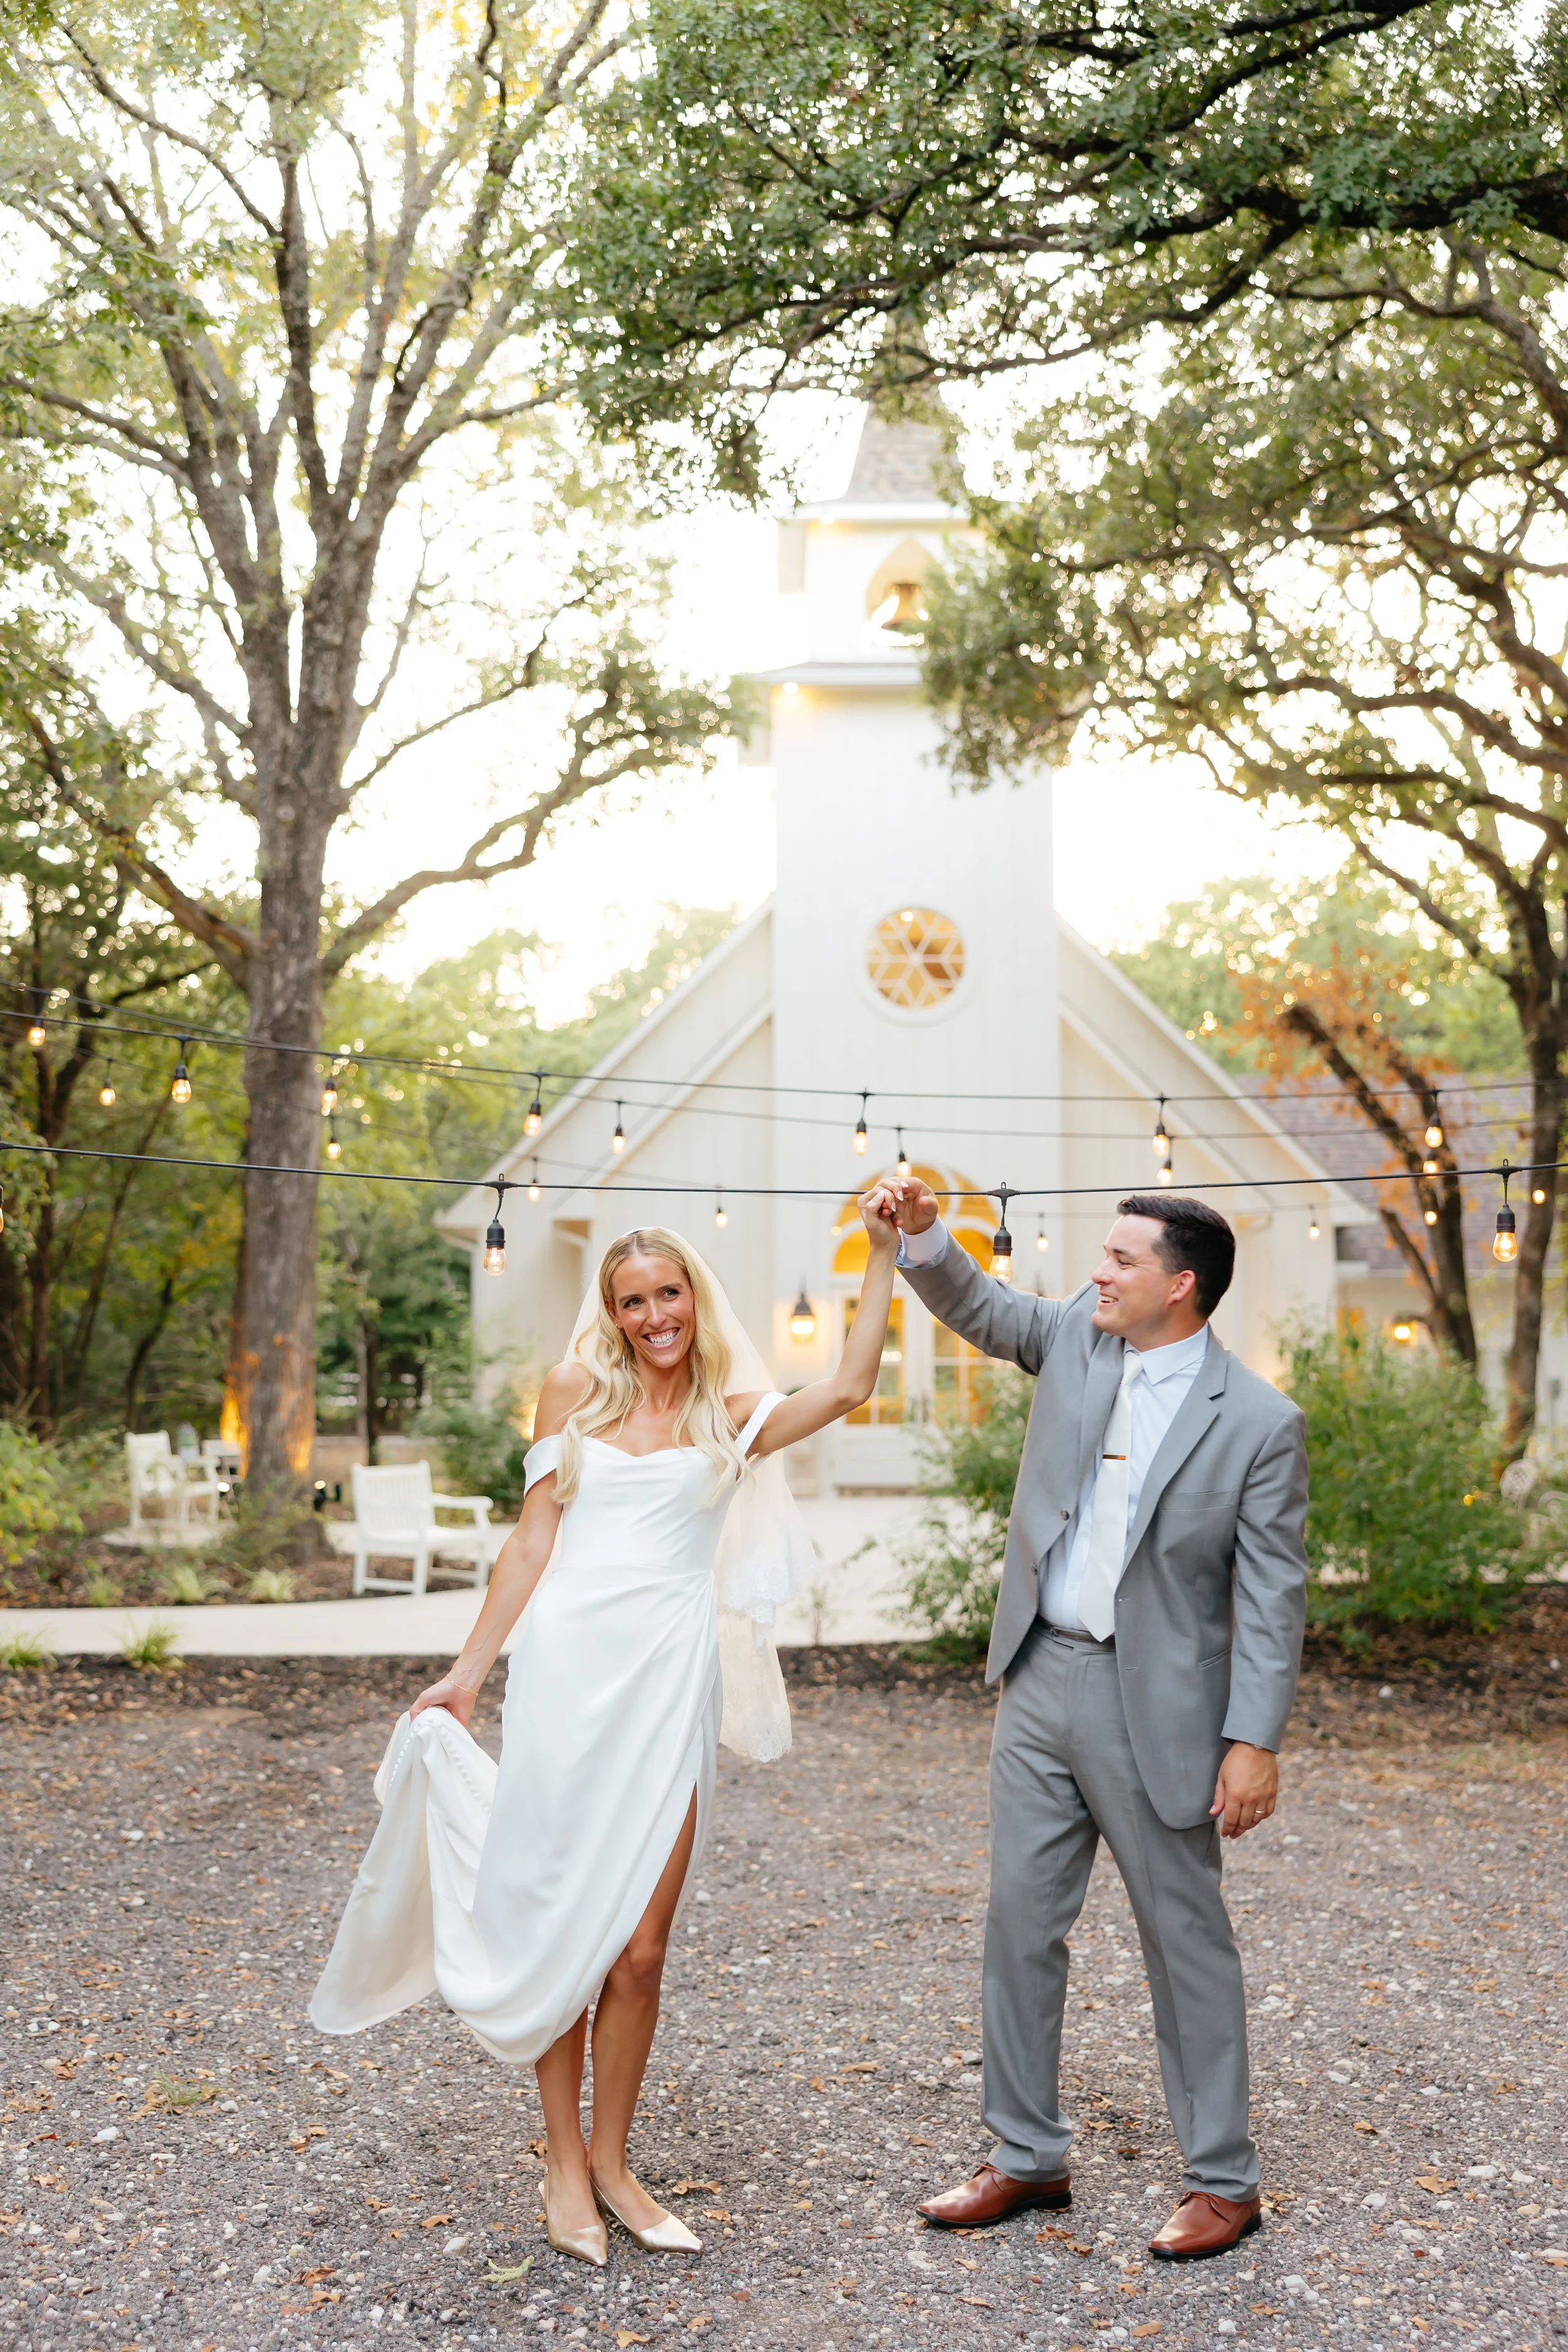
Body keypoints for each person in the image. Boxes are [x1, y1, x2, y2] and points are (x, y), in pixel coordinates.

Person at [310, 1200, 901, 2269]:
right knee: (564, 1929)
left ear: (694, 1296)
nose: (653, 1315)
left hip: (668, 1680)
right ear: (613, 1311)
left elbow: (854, 1384)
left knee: (639, 1949)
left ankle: (616, 2162)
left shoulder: (735, 1410)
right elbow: (533, 1541)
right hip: (565, 1675)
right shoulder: (576, 1390)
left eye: (667, 1294)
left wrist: (886, 1253)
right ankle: (564, 2160)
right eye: (632, 1301)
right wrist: (467, 1671)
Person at [893, 1183, 1308, 2262]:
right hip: (1039, 1679)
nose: (1097, 1273)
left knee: (1187, 1944)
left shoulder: (1260, 1422)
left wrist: (1253, 1737)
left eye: (1121, 1259)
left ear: (1181, 1284)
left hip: (1159, 1708)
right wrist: (922, 1232)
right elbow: (980, 1304)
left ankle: (1225, 2179)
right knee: (1020, 1926)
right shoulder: (1076, 1335)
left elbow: (1273, 1593)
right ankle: (1027, 2156)